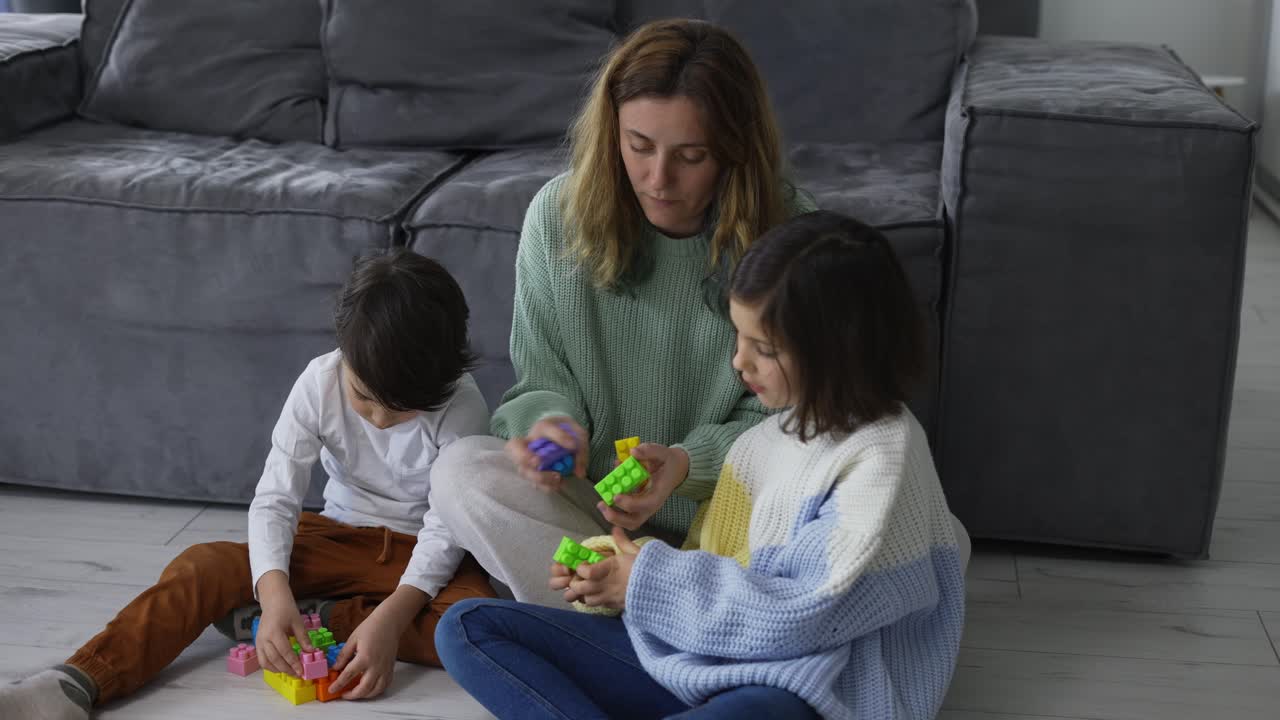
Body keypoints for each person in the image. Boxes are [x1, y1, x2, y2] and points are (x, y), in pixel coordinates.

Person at [434, 210, 967, 720]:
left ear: (839, 348)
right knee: (466, 627)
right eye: (738, 337)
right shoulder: (765, 440)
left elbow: (808, 613)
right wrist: (611, 570)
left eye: (763, 348)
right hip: (694, 661)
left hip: (799, 683)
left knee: (760, 709)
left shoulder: (881, 455)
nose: (740, 362)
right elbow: (715, 564)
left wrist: (641, 580)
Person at [0, 249, 496, 720]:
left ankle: (327, 618)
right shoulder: (319, 382)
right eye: (365, 398)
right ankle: (74, 681)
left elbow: (444, 529)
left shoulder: (461, 403)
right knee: (203, 566)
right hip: (336, 536)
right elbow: (277, 497)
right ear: (344, 353)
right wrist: (274, 594)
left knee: (478, 622)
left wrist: (388, 620)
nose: (382, 419)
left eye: (404, 407)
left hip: (423, 555)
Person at [429, 17, 822, 608]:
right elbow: (540, 381)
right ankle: (662, 619)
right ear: (611, 131)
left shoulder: (789, 234)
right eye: (638, 146)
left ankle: (642, 616)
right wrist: (547, 429)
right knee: (461, 471)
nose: (657, 179)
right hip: (593, 518)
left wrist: (685, 466)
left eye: (691, 155)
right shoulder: (554, 218)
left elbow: (791, 422)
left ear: (735, 152)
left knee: (825, 505)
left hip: (726, 521)